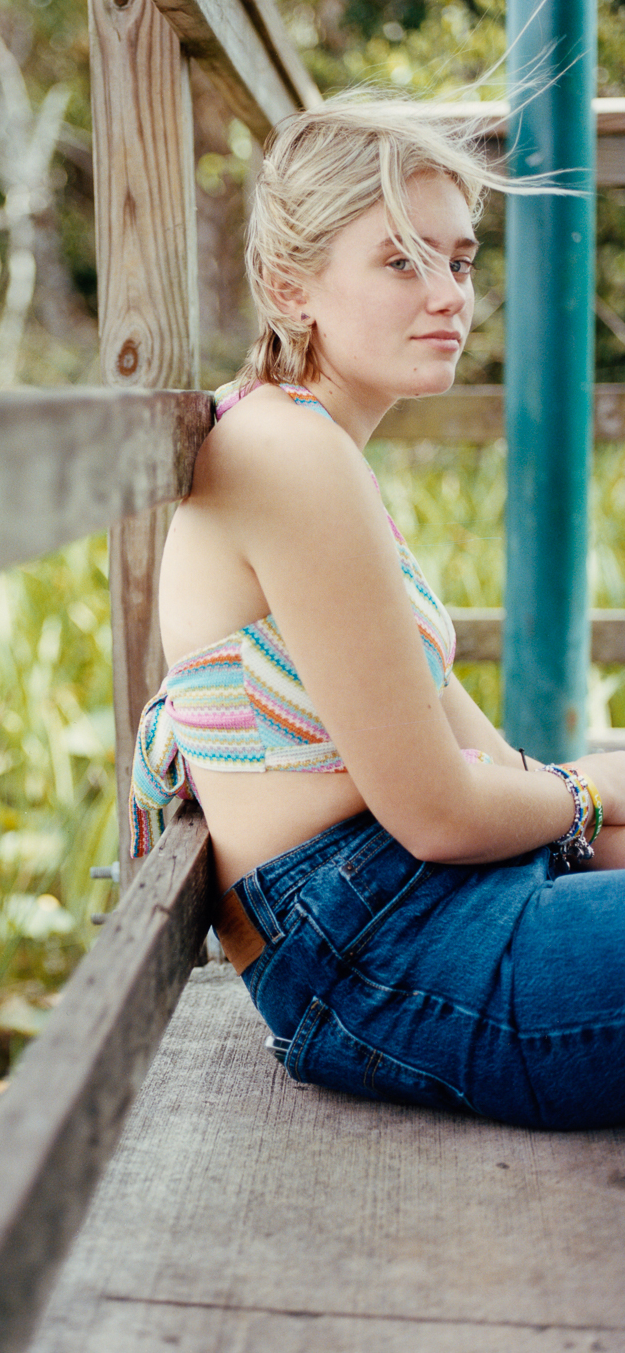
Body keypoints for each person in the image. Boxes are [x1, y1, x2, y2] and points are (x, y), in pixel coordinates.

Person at [129, 94, 625, 1130]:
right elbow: (441, 812)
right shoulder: (286, 455)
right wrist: (589, 794)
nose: (448, 293)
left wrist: (589, 809)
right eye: (400, 261)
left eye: (460, 258)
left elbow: (491, 773)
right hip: (377, 956)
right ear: (287, 285)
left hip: (411, 917)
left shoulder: (314, 447)